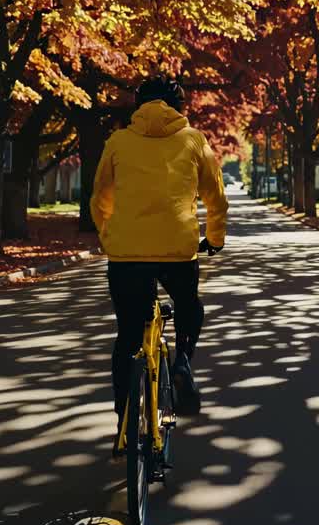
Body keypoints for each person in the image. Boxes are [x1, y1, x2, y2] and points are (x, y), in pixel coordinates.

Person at [90, 75, 228, 439]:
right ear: (179, 106)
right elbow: (216, 200)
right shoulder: (195, 140)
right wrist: (214, 240)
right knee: (188, 305)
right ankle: (182, 359)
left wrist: (110, 237)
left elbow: (100, 199)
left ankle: (124, 418)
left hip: (126, 255)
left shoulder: (118, 141)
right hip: (178, 251)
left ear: (138, 105)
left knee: (127, 336)